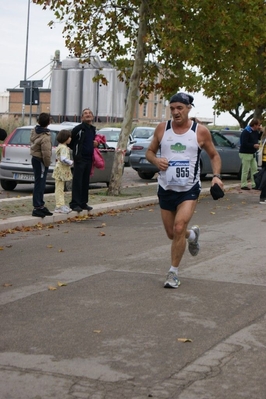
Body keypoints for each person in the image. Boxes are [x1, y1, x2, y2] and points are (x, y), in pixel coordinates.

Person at [146, 92, 223, 289]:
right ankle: (193, 236)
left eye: (180, 108)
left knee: (179, 227)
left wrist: (216, 176)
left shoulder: (200, 132)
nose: (176, 112)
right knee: (172, 233)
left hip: (189, 188)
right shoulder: (163, 129)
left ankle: (173, 273)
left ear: (188, 108)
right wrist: (156, 160)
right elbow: (149, 152)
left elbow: (214, 156)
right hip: (166, 187)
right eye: (172, 108)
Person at [69, 108, 98, 212]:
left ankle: (83, 202)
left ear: (93, 116)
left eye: (90, 113)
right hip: (80, 159)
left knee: (85, 181)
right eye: (85, 113)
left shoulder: (92, 129)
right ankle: (75, 203)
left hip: (89, 159)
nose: (88, 115)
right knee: (77, 181)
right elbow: (70, 142)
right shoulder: (78, 129)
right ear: (82, 117)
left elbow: (94, 142)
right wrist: (77, 153)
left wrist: (96, 144)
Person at [30, 113, 53, 217]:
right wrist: (47, 164)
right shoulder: (45, 136)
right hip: (41, 161)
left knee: (39, 182)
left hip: (35, 158)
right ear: (48, 122)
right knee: (40, 183)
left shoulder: (35, 131)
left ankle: (40, 205)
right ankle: (38, 206)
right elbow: (46, 153)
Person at [52, 129, 73, 214]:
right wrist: (71, 162)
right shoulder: (64, 148)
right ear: (65, 138)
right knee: (60, 189)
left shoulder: (60, 146)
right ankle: (59, 206)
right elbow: (63, 158)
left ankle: (61, 204)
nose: (70, 138)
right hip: (61, 170)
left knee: (60, 188)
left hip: (59, 169)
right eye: (69, 137)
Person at [239, 119, 261, 190]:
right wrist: (253, 145)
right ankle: (243, 184)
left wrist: (261, 131)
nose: (259, 126)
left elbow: (258, 138)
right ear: (254, 125)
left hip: (252, 153)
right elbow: (244, 143)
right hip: (245, 153)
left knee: (254, 169)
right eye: (258, 125)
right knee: (246, 169)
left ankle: (254, 184)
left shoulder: (255, 132)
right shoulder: (246, 132)